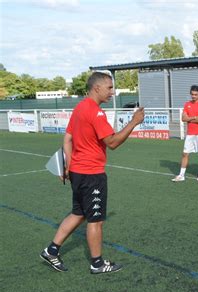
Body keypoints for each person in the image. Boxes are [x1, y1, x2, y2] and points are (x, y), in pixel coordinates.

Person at [40, 72, 145, 274]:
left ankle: (51, 251)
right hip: (91, 174)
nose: (112, 92)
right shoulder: (96, 112)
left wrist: (69, 166)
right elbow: (112, 142)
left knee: (78, 213)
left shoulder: (79, 108)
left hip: (78, 172)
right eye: (109, 88)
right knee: (95, 220)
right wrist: (134, 122)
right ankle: (97, 263)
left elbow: (68, 138)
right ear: (97, 88)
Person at [172, 85, 198, 182]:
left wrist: (189, 118)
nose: (193, 96)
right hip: (190, 133)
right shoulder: (187, 104)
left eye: (195, 94)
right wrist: (193, 117)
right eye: (192, 94)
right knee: (185, 154)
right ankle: (181, 175)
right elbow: (183, 119)